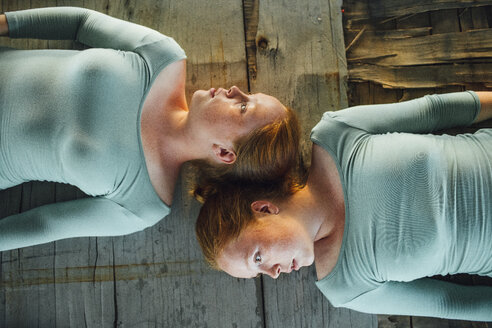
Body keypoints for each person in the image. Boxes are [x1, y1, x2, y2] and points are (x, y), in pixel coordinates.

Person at [0, 7, 301, 251]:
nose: (236, 89)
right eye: (248, 93)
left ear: (224, 152)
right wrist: (3, 23)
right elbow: (83, 23)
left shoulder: (143, 205)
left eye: (244, 106)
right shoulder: (164, 57)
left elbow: (46, 225)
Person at [195, 90, 492, 321]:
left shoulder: (336, 135)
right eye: (260, 274)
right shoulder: (346, 288)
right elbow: (450, 302)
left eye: (258, 259)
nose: (273, 273)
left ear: (264, 209)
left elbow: (434, 111)